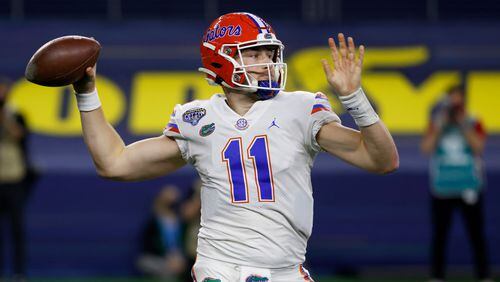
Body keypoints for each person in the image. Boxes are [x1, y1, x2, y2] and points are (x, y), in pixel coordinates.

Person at [70, 12, 398, 281]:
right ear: (220, 60)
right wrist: (86, 92)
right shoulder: (196, 118)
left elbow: (381, 160)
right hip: (219, 270)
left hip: (286, 271)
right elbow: (114, 163)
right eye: (253, 54)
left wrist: (354, 98)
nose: (266, 62)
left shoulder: (300, 107)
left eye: (269, 54)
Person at [421, 85, 493, 282]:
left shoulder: (473, 120)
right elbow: (426, 148)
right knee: (440, 236)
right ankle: (437, 276)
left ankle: (484, 276)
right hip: (442, 187)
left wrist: (463, 125)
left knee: (476, 235)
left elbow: (478, 147)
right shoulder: (437, 122)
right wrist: (440, 125)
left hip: (469, 186)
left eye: (457, 102)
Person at [0, 77, 30, 282]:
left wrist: (3, 114)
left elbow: (19, 135)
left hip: (14, 178)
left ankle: (19, 273)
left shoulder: (16, 114)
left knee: (16, 229)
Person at [137, 185, 187, 278]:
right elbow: (150, 245)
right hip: (155, 258)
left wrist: (179, 259)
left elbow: (182, 244)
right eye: (167, 202)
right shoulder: (153, 222)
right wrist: (168, 258)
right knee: (168, 271)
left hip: (178, 259)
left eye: (173, 202)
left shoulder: (180, 222)